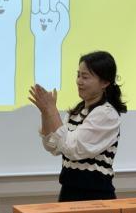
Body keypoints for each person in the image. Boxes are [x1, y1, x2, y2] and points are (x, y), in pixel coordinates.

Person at [29, 51, 127, 202]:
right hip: (68, 191)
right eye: (78, 75)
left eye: (85, 77)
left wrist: (52, 111)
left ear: (105, 82)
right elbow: (53, 146)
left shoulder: (106, 113)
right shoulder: (77, 111)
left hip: (95, 196)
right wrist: (45, 113)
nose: (79, 81)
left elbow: (72, 149)